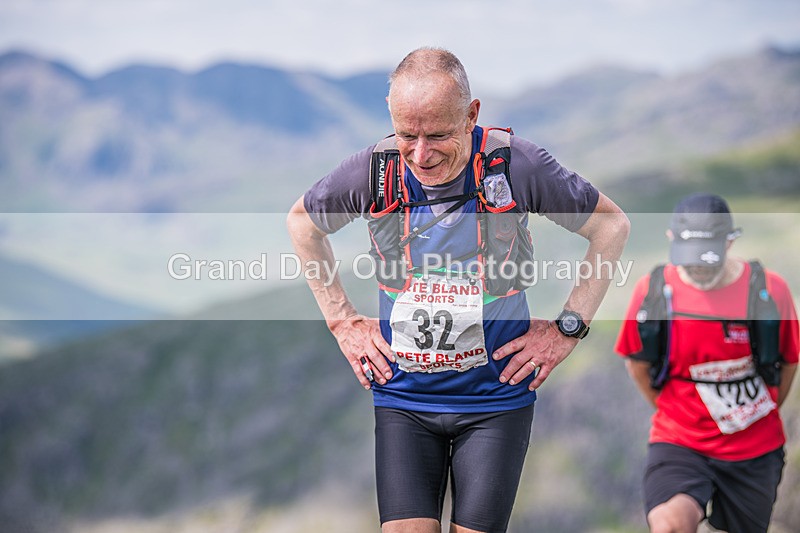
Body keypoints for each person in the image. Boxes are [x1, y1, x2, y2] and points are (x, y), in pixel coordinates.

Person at [287, 47, 630, 533]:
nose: (421, 155)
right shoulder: (375, 171)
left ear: (472, 115)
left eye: (439, 135)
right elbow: (302, 224)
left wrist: (568, 328)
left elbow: (611, 227)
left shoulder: (515, 167)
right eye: (407, 135)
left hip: (496, 400)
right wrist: (342, 321)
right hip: (404, 399)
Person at [615, 193, 798, 533]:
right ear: (672, 239)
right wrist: (673, 411)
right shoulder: (653, 292)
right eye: (690, 259)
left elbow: (788, 363)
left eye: (707, 260)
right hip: (680, 440)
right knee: (669, 525)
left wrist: (763, 409)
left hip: (755, 449)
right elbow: (636, 365)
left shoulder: (770, 292)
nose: (698, 269)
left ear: (730, 242)